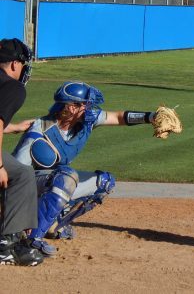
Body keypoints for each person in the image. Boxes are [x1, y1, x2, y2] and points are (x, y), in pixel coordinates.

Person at [12, 80, 164, 257]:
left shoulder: (86, 121)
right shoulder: (40, 131)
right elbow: (16, 175)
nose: (90, 108)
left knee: (104, 182)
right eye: (85, 104)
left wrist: (151, 117)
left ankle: (52, 225)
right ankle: (31, 239)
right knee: (66, 177)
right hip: (30, 187)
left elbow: (118, 117)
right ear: (71, 107)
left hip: (53, 183)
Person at [0, 38, 44, 266]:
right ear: (15, 64)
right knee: (21, 174)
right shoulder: (12, 87)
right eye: (24, 64)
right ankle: (6, 244)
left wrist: (14, 127)